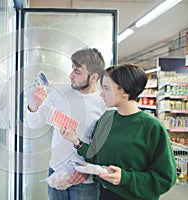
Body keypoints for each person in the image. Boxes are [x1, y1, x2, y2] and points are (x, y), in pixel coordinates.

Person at [61, 63, 177, 200]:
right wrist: (76, 142)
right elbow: (96, 157)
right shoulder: (106, 119)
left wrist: (126, 178)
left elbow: (165, 178)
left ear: (123, 91)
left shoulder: (152, 127)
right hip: (102, 194)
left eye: (106, 88)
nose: (101, 94)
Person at [26, 47, 107, 200]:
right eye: (72, 69)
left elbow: (105, 148)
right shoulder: (59, 93)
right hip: (56, 173)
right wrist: (33, 105)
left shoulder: (104, 103)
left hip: (85, 181)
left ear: (94, 77)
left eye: (78, 72)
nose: (71, 75)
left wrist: (88, 171)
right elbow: (34, 124)